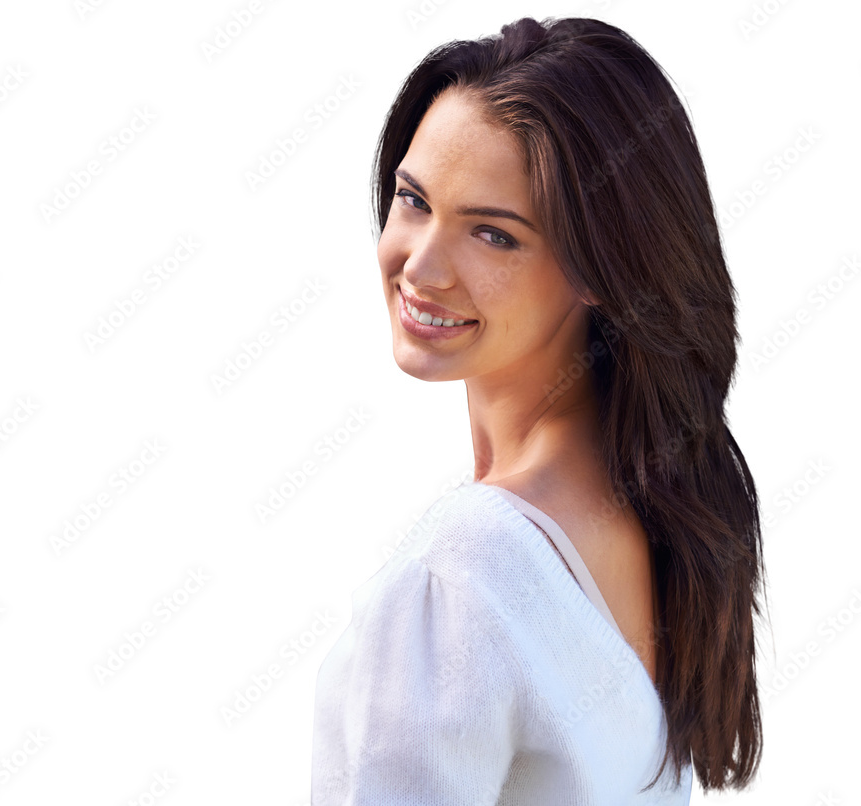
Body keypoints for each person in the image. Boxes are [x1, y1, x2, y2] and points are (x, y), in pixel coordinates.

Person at [311, 15, 767, 804]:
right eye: (413, 200)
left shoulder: (457, 576)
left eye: (492, 234)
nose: (419, 265)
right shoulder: (653, 518)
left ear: (603, 268)